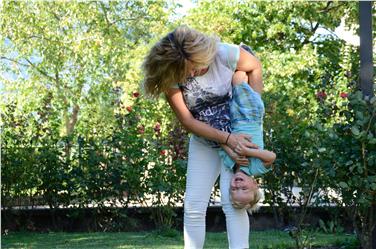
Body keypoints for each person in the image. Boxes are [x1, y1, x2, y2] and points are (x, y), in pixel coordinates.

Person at [142, 25, 262, 249]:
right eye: (185, 72)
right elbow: (188, 121)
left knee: (232, 203)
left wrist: (252, 117)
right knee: (194, 206)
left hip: (238, 136)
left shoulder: (224, 54)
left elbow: (254, 66)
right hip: (205, 140)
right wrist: (225, 140)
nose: (190, 75)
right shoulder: (172, 73)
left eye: (194, 68)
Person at [219, 69, 276, 213]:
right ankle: (244, 56)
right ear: (254, 184)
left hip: (234, 118)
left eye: (234, 189)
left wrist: (231, 154)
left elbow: (220, 142)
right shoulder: (256, 168)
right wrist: (247, 151)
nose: (238, 184)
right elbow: (271, 156)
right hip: (250, 115)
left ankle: (246, 60)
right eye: (244, 188)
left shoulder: (229, 163)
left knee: (239, 83)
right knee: (238, 78)